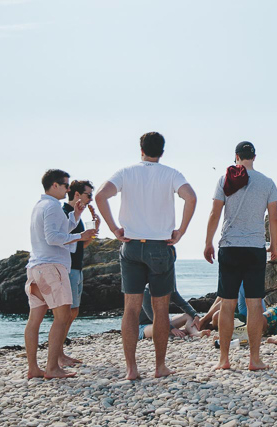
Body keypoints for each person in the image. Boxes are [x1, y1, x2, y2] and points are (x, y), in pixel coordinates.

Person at [95, 132, 197, 380]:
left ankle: (131, 369)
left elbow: (100, 195)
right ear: (162, 151)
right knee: (160, 310)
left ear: (140, 149)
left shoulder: (126, 172)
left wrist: (113, 229)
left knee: (130, 309)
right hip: (160, 246)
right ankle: (160, 367)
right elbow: (191, 197)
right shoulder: (171, 174)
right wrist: (181, 231)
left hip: (131, 245)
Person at [204, 141, 277, 371]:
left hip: (229, 245)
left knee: (227, 304)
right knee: (254, 303)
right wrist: (274, 245)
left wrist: (208, 242)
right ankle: (254, 359)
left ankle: (224, 359)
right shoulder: (267, 182)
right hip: (255, 247)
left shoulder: (225, 179)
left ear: (236, 157)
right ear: (254, 157)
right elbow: (274, 218)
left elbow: (215, 212)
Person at [25, 169, 96, 380]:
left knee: (34, 319)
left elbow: (62, 229)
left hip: (35, 267)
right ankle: (52, 368)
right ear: (54, 185)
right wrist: (80, 236)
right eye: (65, 185)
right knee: (62, 317)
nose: (68, 190)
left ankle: (33, 368)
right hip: (52, 268)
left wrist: (77, 215)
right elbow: (53, 237)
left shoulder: (40, 206)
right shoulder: (53, 206)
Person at [60, 179, 99, 367]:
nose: (91, 199)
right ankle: (57, 353)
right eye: (88, 195)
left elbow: (80, 244)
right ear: (77, 195)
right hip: (67, 269)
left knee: (73, 312)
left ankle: (60, 351)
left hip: (77, 268)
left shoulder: (77, 215)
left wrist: (92, 233)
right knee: (65, 313)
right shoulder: (64, 213)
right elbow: (60, 240)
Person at [138, 284, 209, 340]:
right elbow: (151, 315)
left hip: (166, 321)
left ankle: (196, 333)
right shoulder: (147, 290)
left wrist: (195, 315)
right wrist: (171, 328)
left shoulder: (169, 287)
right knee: (160, 328)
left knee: (188, 316)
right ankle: (183, 331)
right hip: (145, 326)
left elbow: (183, 304)